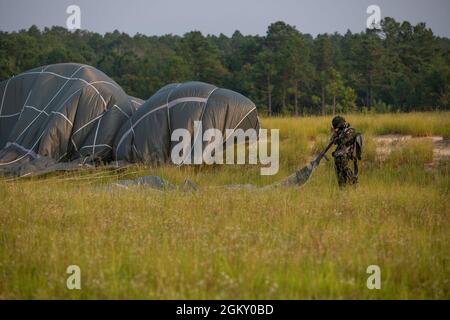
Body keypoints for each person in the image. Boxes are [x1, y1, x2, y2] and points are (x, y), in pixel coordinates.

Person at [330, 116, 359, 187]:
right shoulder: (340, 132)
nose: (337, 128)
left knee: (344, 169)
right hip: (339, 155)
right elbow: (332, 141)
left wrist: (337, 136)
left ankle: (354, 183)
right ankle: (342, 189)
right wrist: (334, 134)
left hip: (346, 153)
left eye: (338, 126)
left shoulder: (350, 130)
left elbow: (342, 141)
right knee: (339, 173)